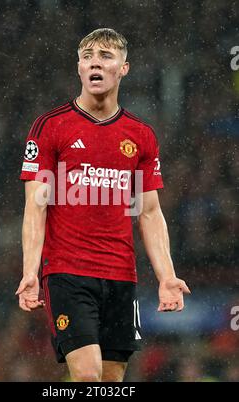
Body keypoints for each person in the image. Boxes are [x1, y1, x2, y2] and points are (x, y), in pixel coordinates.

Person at [16, 28, 191, 382]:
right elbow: (36, 206)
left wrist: (167, 276)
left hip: (121, 275)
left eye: (106, 57)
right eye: (87, 57)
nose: (95, 63)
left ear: (124, 68)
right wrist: (30, 271)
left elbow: (150, 211)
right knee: (87, 376)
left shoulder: (140, 135)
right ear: (79, 68)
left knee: (112, 381)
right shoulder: (50, 127)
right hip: (66, 273)